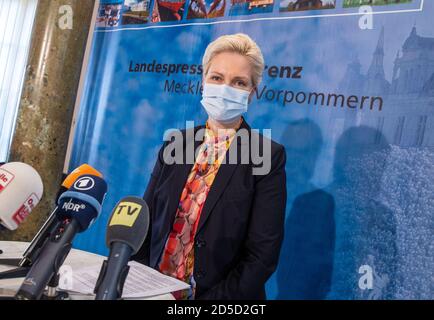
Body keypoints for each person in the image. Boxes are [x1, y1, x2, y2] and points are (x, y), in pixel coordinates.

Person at [133, 33, 287, 300]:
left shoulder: (267, 155)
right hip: (155, 291)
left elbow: (262, 254)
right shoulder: (176, 143)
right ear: (203, 82)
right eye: (217, 77)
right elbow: (144, 222)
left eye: (239, 82)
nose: (225, 88)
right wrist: (141, 286)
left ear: (252, 93)